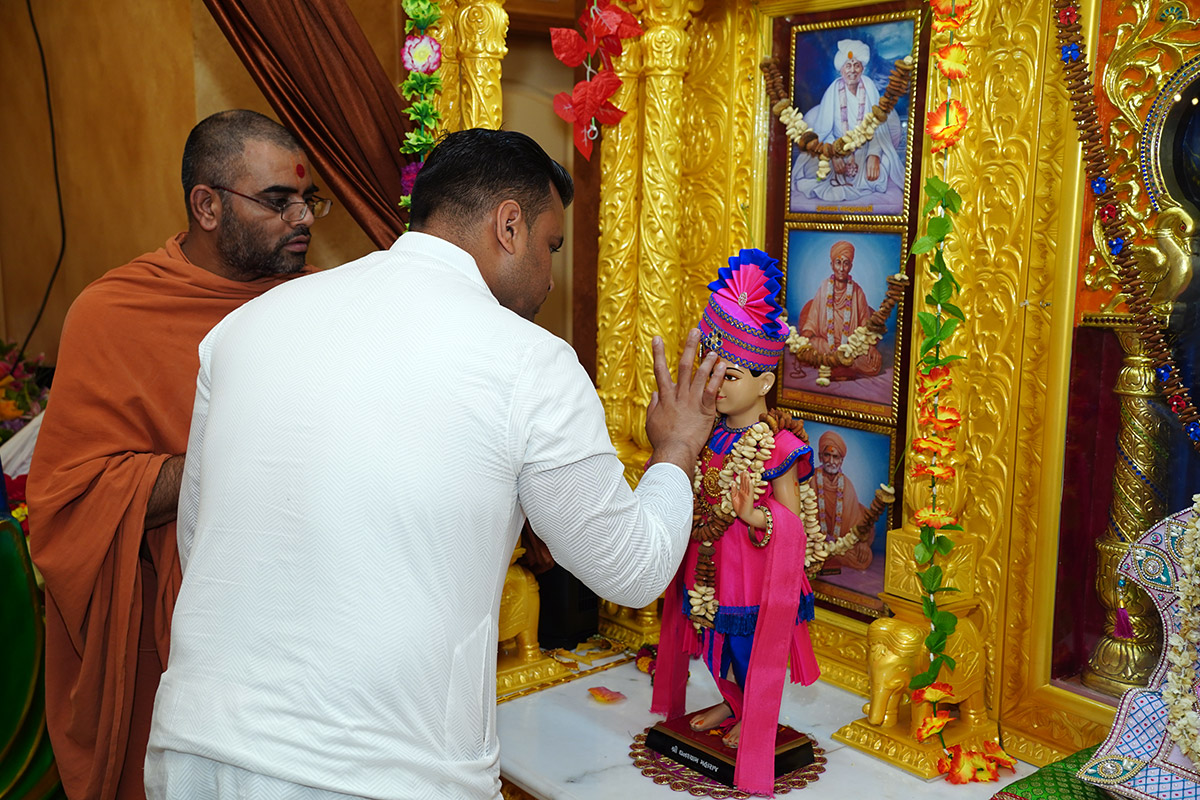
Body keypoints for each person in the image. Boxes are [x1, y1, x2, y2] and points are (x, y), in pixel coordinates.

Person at [144, 128, 724, 800]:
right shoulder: (528, 360)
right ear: (509, 225)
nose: (549, 276)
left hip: (195, 749)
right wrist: (677, 446)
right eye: (551, 246)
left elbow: (200, 539)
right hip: (370, 773)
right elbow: (631, 569)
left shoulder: (243, 329)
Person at [27, 109, 328, 800]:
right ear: (207, 206)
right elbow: (70, 500)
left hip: (300, 629)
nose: (304, 218)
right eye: (278, 201)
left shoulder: (318, 302)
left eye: (309, 199)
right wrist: (234, 454)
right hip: (173, 636)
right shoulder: (113, 313)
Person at [652, 249, 820, 796]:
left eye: (732, 375)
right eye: (713, 371)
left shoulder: (781, 446)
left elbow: (793, 525)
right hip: (709, 564)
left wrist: (756, 515)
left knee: (746, 646)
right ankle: (733, 704)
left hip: (754, 570)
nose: (718, 385)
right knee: (712, 637)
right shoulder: (708, 434)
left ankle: (755, 713)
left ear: (765, 382)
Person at [790, 39, 905, 210]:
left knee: (884, 167)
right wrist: (834, 155)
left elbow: (877, 126)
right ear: (841, 69)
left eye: (856, 65)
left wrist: (873, 155)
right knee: (811, 170)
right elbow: (824, 130)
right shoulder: (833, 90)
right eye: (848, 66)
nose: (852, 70)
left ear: (862, 69)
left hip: (864, 149)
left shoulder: (869, 87)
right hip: (836, 148)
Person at [798, 239, 883, 379]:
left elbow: (865, 326)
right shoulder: (824, 288)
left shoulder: (857, 292)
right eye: (838, 262)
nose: (842, 268)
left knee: (872, 363)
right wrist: (804, 339)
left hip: (851, 348)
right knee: (809, 348)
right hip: (826, 345)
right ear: (832, 265)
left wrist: (870, 347)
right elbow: (812, 321)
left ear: (851, 266)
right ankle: (842, 365)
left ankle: (833, 364)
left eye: (846, 263)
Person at [814, 430, 872, 570]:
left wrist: (861, 541)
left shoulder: (847, 486)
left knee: (863, 558)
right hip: (814, 540)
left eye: (836, 457)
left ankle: (828, 553)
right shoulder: (811, 479)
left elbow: (855, 519)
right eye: (827, 455)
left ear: (841, 460)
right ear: (820, 457)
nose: (831, 461)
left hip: (840, 543)